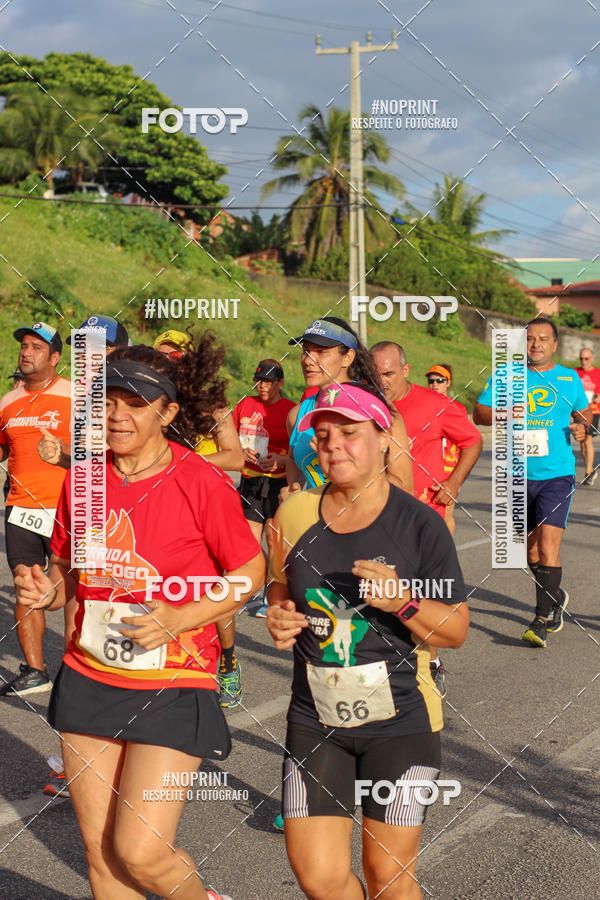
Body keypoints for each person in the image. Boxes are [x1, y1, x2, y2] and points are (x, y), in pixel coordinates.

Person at [15, 344, 264, 900]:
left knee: (141, 850)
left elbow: (250, 571)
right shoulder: (82, 480)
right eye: (108, 401)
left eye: (137, 402)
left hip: (172, 684)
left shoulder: (199, 480)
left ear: (168, 413)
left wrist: (183, 615)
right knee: (103, 861)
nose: (118, 415)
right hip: (88, 676)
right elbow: (66, 578)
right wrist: (44, 590)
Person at [266, 382, 469, 899]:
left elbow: (457, 629)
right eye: (323, 433)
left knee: (388, 876)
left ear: (383, 439)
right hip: (313, 719)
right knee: (318, 876)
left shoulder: (421, 523)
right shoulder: (294, 513)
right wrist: (280, 612)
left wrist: (402, 601)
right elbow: (279, 586)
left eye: (349, 433)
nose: (332, 444)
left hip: (403, 722)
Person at [372, 343, 482, 698]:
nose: (382, 381)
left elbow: (472, 440)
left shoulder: (437, 405)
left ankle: (430, 665)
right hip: (375, 519)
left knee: (422, 599)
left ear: (405, 371)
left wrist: (453, 483)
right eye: (376, 374)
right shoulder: (365, 404)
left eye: (388, 374)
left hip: (423, 521)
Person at [474, 317, 591, 647]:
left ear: (554, 345)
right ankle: (553, 595)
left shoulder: (568, 379)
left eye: (543, 339)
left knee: (549, 546)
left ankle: (541, 619)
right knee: (529, 549)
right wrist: (507, 412)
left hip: (557, 474)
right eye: (530, 339)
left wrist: (583, 429)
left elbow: (584, 414)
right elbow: (478, 413)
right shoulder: (506, 375)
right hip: (516, 473)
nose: (536, 344)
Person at [153, 329, 245, 709]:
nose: (170, 364)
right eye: (162, 357)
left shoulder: (214, 406)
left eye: (176, 357)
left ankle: (227, 659)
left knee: (216, 589)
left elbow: (236, 458)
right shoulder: (150, 405)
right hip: (162, 506)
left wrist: (187, 464)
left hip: (210, 506)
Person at [0, 323, 71, 697]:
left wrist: (64, 455)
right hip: (21, 507)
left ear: (55, 358)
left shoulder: (77, 396)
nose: (26, 352)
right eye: (24, 346)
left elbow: (98, 456)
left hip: (67, 508)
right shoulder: (7, 402)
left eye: (36, 348)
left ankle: (79, 672)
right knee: (26, 584)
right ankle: (35, 670)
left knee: (73, 588)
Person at [286, 317, 413, 494]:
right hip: (316, 521)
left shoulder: (378, 410)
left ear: (347, 357)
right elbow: (293, 459)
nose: (308, 360)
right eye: (306, 351)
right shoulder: (298, 415)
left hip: (366, 520)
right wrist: (294, 487)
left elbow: (404, 487)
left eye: (321, 352)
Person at [232, 359, 295, 622]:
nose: (263, 386)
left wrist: (279, 460)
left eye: (269, 381)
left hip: (278, 482)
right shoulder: (245, 404)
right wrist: (239, 448)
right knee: (248, 540)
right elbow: (228, 435)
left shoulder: (291, 410)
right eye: (259, 381)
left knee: (272, 539)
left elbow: (297, 450)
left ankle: (271, 596)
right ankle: (246, 591)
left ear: (280, 383)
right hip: (250, 480)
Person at [425, 363, 460, 535]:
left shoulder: (455, 408)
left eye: (440, 380)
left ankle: (446, 554)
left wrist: (456, 476)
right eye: (431, 381)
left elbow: (467, 442)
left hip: (448, 468)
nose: (435, 384)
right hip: (427, 467)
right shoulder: (423, 405)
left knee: (445, 514)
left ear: (448, 382)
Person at [575, 347, 600, 485]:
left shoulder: (598, 373)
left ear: (592, 359)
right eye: (581, 358)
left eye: (586, 358)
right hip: (578, 412)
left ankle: (588, 472)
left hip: (594, 411)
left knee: (588, 439)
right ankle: (590, 471)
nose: (583, 361)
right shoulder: (574, 372)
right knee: (582, 443)